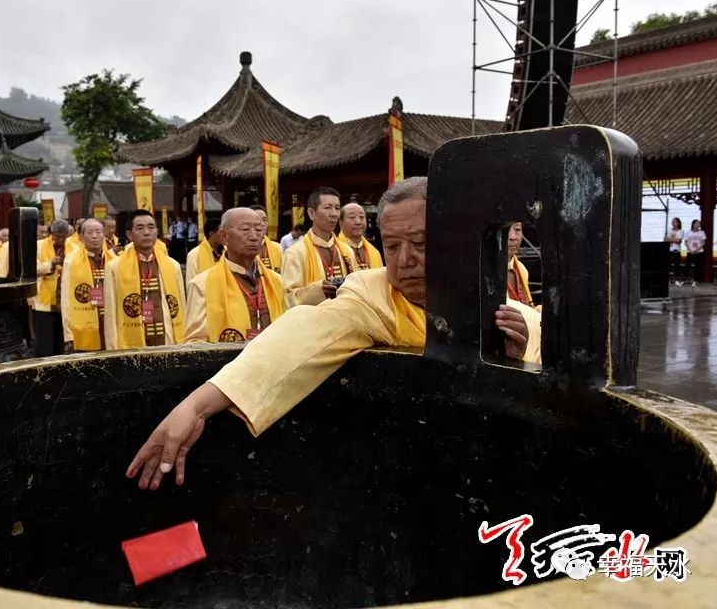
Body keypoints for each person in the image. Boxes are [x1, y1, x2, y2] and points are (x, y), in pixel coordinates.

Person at [125, 177, 541, 490]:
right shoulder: (370, 293)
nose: (404, 260)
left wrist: (514, 363)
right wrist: (195, 407)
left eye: (419, 242)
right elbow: (297, 339)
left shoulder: (508, 309)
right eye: (392, 246)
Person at [184, 208, 286, 343]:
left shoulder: (275, 281)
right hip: (229, 363)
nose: (254, 236)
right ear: (224, 237)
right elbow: (195, 343)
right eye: (245, 230)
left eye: (259, 230)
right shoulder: (202, 285)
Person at [104, 210, 186, 349]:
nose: (146, 232)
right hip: (132, 345)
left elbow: (182, 308)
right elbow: (110, 314)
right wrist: (112, 350)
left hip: (169, 341)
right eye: (140, 228)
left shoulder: (172, 265)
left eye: (151, 227)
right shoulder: (114, 267)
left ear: (157, 232)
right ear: (129, 234)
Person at [281, 186, 357, 307]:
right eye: (327, 208)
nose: (334, 214)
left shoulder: (347, 251)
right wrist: (317, 291)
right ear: (311, 213)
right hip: (313, 321)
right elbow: (287, 298)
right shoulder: (295, 253)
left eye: (337, 208)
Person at [61, 219, 117, 351]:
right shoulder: (71, 261)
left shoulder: (114, 260)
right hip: (84, 324)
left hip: (110, 322)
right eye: (90, 232)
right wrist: (68, 333)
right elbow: (65, 299)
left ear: (104, 234)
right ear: (81, 236)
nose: (95, 236)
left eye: (98, 232)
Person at [34, 219, 74, 357]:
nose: (60, 239)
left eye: (64, 236)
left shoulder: (73, 247)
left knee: (61, 342)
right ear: (52, 233)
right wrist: (50, 264)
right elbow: (32, 269)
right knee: (44, 343)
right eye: (58, 235)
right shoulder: (39, 246)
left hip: (64, 300)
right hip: (44, 302)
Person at [338, 202, 382, 269]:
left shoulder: (374, 252)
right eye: (352, 217)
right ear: (341, 223)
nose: (358, 222)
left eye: (362, 217)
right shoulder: (336, 250)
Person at [185, 218, 224, 289]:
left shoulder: (227, 252)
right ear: (211, 234)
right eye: (221, 232)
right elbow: (192, 284)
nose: (224, 235)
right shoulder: (194, 254)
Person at [506, 222, 535, 308]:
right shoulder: (483, 269)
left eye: (517, 229)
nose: (512, 237)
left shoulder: (522, 269)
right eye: (506, 230)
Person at [249, 205, 284, 273]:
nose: (262, 223)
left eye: (264, 220)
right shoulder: (239, 248)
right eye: (257, 220)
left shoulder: (277, 247)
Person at [683, 219, 707, 287]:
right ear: (693, 224)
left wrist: (698, 249)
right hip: (690, 251)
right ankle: (684, 280)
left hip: (699, 252)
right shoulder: (688, 232)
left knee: (698, 267)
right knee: (687, 265)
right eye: (697, 223)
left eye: (699, 223)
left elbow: (703, 242)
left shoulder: (702, 232)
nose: (698, 224)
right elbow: (686, 242)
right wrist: (690, 249)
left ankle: (695, 281)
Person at [666, 217, 684, 286]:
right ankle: (668, 279)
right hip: (669, 250)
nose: (673, 223)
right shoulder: (669, 230)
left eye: (674, 222)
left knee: (677, 266)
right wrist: (674, 240)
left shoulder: (681, 231)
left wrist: (670, 239)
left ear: (678, 223)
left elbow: (679, 241)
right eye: (672, 221)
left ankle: (676, 280)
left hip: (676, 251)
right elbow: (666, 240)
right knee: (668, 266)